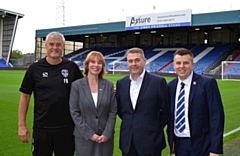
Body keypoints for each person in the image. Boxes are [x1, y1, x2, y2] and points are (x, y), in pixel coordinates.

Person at [18, 31, 83, 156]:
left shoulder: (71, 67)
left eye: (58, 45)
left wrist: (107, 89)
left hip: (66, 129)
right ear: (46, 46)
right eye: (51, 44)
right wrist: (22, 125)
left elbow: (85, 89)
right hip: (42, 129)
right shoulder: (34, 69)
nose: (55, 47)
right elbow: (25, 97)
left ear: (63, 47)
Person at [167, 48, 225, 156]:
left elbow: (216, 116)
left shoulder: (207, 83)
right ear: (173, 65)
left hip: (202, 144)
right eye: (178, 63)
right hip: (179, 144)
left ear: (193, 64)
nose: (182, 66)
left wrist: (215, 149)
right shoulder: (170, 86)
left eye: (186, 63)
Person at [116, 47, 170, 156]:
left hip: (151, 141)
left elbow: (166, 112)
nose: (134, 64)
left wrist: (152, 126)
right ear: (127, 62)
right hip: (128, 141)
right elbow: (121, 110)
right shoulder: (121, 83)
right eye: (130, 61)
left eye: (137, 60)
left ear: (144, 61)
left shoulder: (158, 82)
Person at [69, 51, 117, 156]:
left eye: (99, 63)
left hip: (105, 138)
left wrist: (107, 133)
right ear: (87, 64)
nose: (96, 65)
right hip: (84, 138)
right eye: (93, 62)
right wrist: (90, 134)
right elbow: (74, 112)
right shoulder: (76, 85)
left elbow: (113, 111)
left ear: (103, 66)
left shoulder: (109, 85)